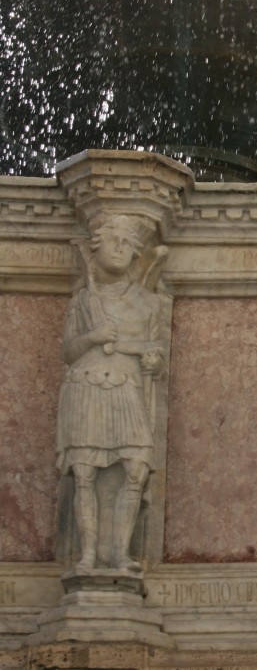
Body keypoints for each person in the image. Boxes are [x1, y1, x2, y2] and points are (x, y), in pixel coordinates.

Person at [56, 214, 164, 572]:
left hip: (126, 390)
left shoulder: (148, 303)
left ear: (137, 254)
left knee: (135, 468)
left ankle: (120, 553)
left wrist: (150, 359)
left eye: (128, 243)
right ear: (95, 247)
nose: (120, 247)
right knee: (84, 472)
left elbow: (155, 354)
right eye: (113, 240)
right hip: (87, 388)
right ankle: (89, 555)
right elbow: (68, 351)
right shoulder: (83, 301)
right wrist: (92, 338)